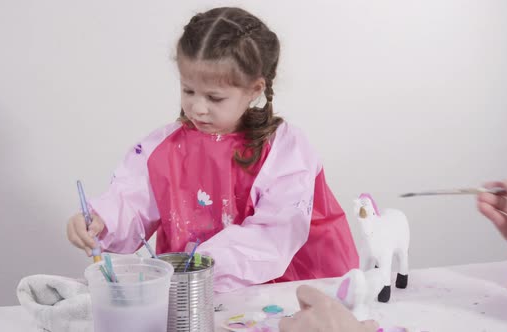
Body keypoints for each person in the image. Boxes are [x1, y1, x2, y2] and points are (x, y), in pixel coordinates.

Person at [66, 6, 359, 293]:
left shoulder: (285, 150)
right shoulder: (163, 149)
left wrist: (203, 266)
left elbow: (274, 235)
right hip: (199, 293)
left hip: (295, 288)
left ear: (255, 89)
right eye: (188, 90)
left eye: (214, 97)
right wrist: (101, 222)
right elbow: (133, 201)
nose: (197, 107)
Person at [281, 179, 507, 331]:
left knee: (397, 253)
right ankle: (375, 286)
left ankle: (398, 278)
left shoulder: (392, 225)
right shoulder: (368, 230)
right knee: (369, 255)